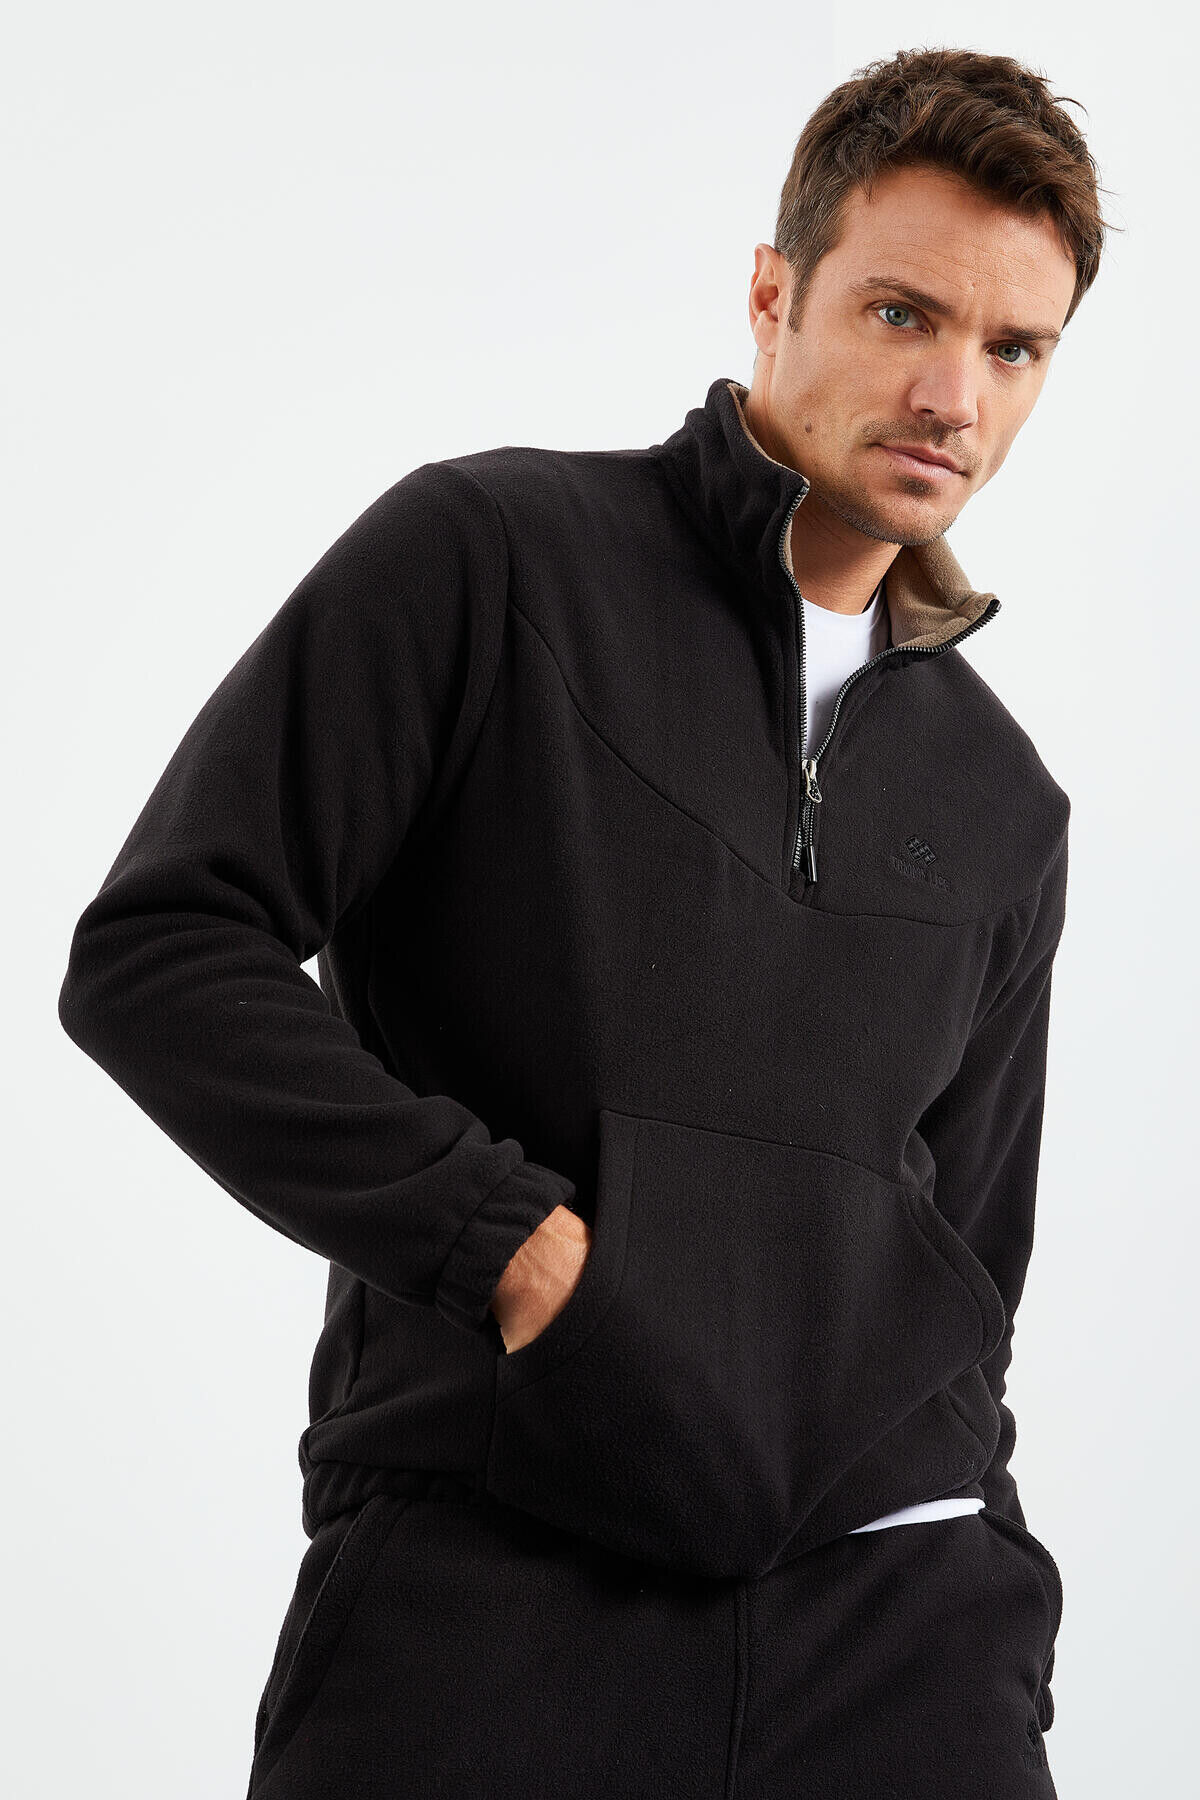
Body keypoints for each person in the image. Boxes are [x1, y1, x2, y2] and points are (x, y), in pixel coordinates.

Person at [58, 44, 1112, 1800]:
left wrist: (990, 1607)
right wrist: (514, 1251)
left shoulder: (1006, 802)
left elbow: (966, 1274)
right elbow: (162, 953)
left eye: (1015, 349)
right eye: (903, 314)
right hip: (494, 1594)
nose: (954, 394)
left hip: (897, 1636)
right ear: (773, 294)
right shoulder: (491, 562)